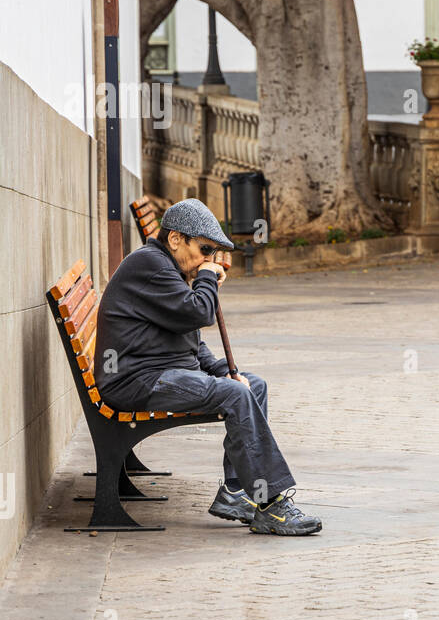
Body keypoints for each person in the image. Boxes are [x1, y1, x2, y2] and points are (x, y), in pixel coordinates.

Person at [96, 199, 321, 536]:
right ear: (175, 239)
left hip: (161, 372)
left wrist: (223, 370)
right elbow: (200, 313)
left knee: (250, 385)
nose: (209, 260)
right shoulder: (150, 266)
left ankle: (236, 491)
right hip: (135, 380)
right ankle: (272, 505)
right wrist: (205, 277)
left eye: (213, 253)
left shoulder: (165, 267)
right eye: (204, 249)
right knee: (235, 395)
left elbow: (190, 336)